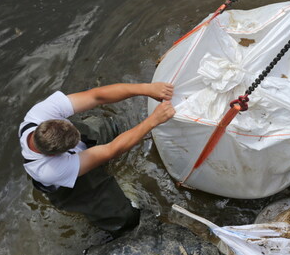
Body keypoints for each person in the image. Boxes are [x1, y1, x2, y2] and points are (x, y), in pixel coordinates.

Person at [18, 82, 175, 236]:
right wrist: (154, 120)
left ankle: (107, 130)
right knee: (124, 218)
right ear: (56, 155)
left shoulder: (39, 113)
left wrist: (146, 88)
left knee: (102, 126)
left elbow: (97, 96)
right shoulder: (50, 170)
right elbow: (112, 150)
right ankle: (120, 224)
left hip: (72, 147)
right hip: (71, 185)